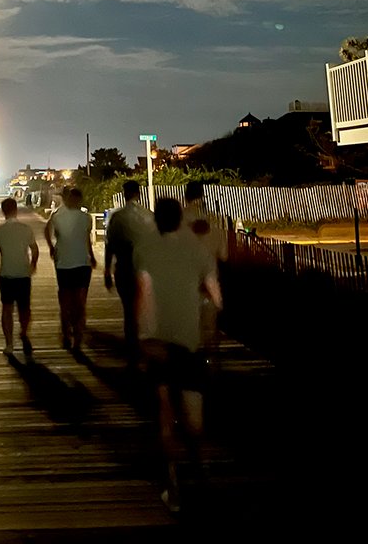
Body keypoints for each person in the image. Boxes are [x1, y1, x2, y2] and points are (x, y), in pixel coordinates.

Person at [135, 195, 222, 514]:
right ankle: (202, 470)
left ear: (157, 220)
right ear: (180, 219)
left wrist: (141, 339)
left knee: (165, 415)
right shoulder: (198, 251)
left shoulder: (144, 249)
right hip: (190, 342)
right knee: (194, 417)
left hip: (156, 342)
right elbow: (216, 298)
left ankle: (172, 485)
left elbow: (142, 295)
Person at [104, 180, 155, 364]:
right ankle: (145, 344)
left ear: (124, 194)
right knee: (144, 307)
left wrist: (106, 271)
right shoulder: (149, 216)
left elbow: (110, 246)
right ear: (138, 194)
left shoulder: (117, 217)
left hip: (124, 268)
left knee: (128, 310)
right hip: (146, 268)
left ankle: (132, 343)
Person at [44, 185, 96, 350]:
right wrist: (92, 256)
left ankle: (66, 333)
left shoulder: (57, 216)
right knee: (80, 302)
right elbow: (86, 239)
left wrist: (52, 247)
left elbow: (47, 230)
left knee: (65, 301)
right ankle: (77, 339)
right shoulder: (87, 218)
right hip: (82, 263)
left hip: (64, 264)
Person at [182, 180, 227, 356]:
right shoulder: (214, 224)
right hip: (209, 285)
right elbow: (224, 256)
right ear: (202, 196)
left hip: (185, 286)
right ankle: (211, 367)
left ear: (186, 197)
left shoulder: (178, 223)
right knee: (210, 330)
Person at [0, 197, 39, 357]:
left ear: (3, 211)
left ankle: (9, 344)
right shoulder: (26, 229)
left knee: (7, 308)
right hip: (23, 273)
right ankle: (24, 332)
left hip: (6, 272)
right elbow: (34, 249)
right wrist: (33, 264)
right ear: (16, 209)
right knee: (24, 308)